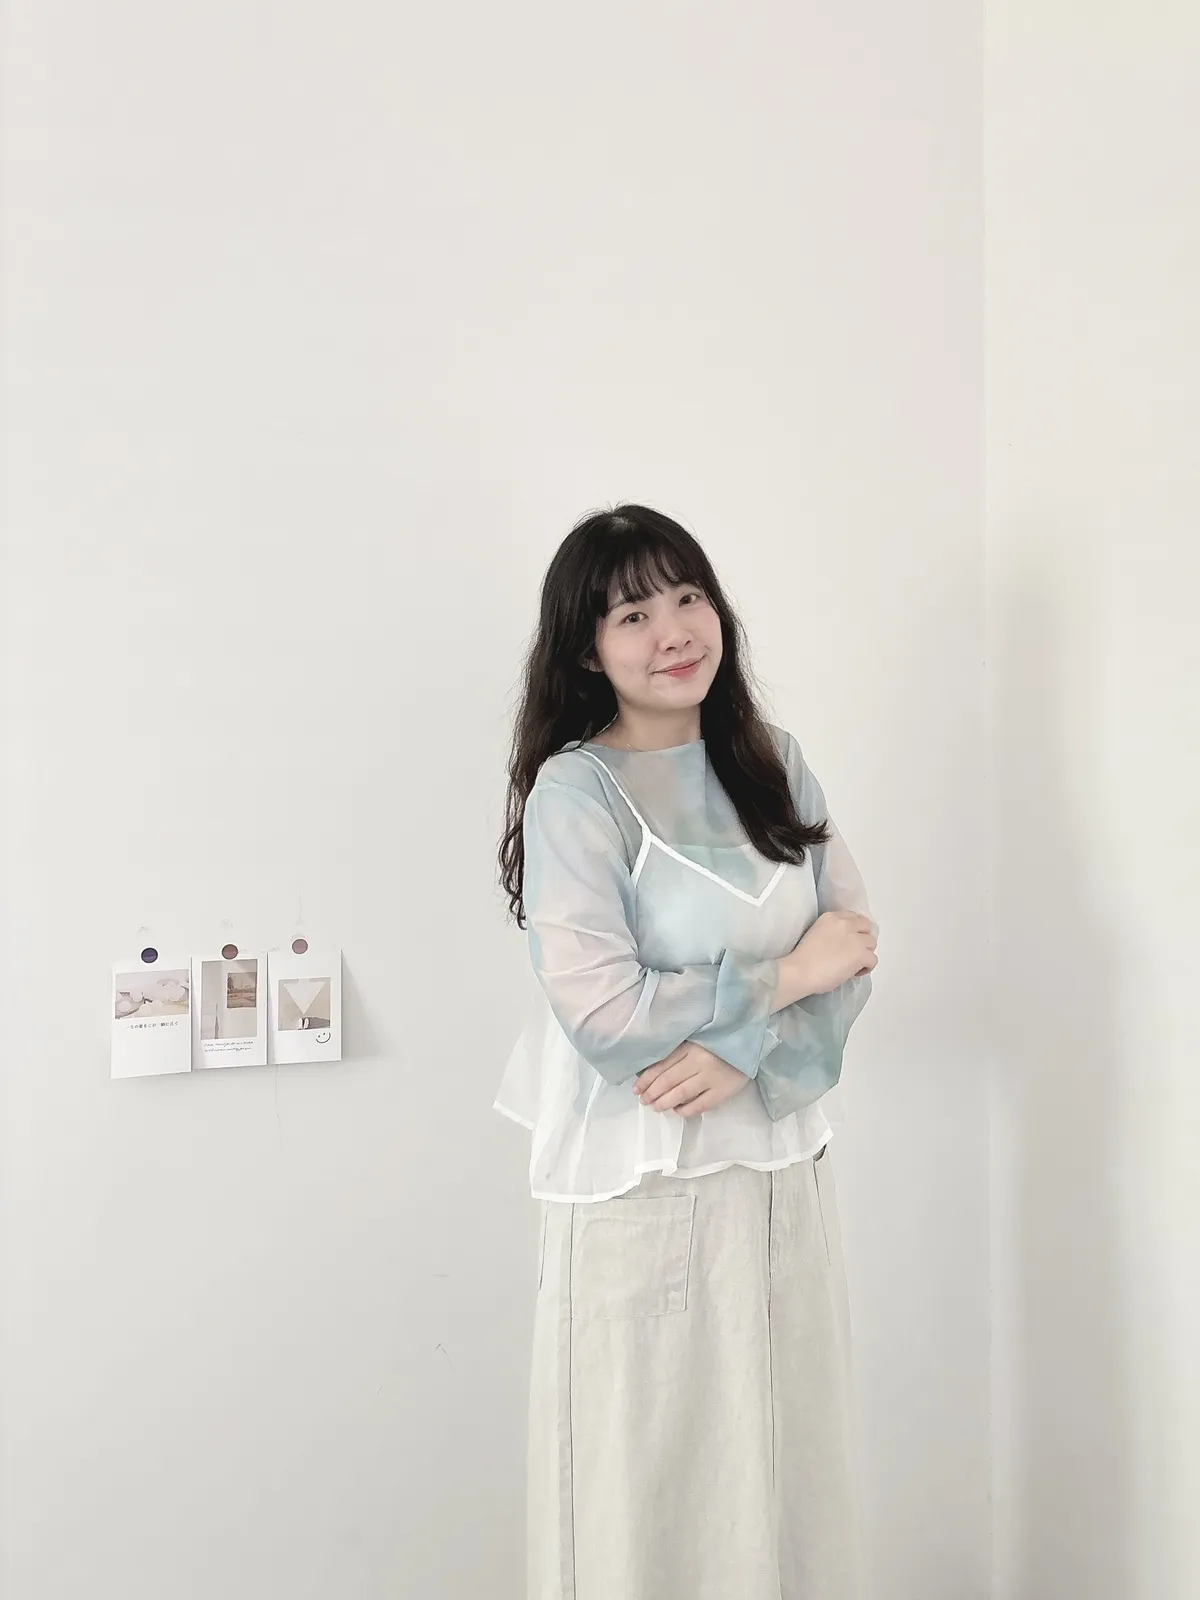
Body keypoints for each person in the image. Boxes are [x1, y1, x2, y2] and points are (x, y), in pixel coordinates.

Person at [494, 503, 878, 1600]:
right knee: (646, 1494)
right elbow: (605, 1012)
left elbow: (854, 944)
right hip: (645, 1182)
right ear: (587, 650)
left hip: (782, 1176)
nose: (673, 630)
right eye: (633, 614)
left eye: (688, 595)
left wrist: (745, 1046)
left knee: (789, 1476)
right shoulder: (578, 790)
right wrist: (785, 981)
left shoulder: (773, 762)